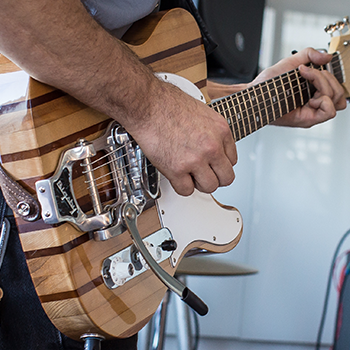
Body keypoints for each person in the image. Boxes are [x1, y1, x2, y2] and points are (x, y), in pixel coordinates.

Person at [0, 0, 347, 349]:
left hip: (105, 230)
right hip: (23, 198)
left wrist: (255, 94)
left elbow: (135, 76)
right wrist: (154, 108)